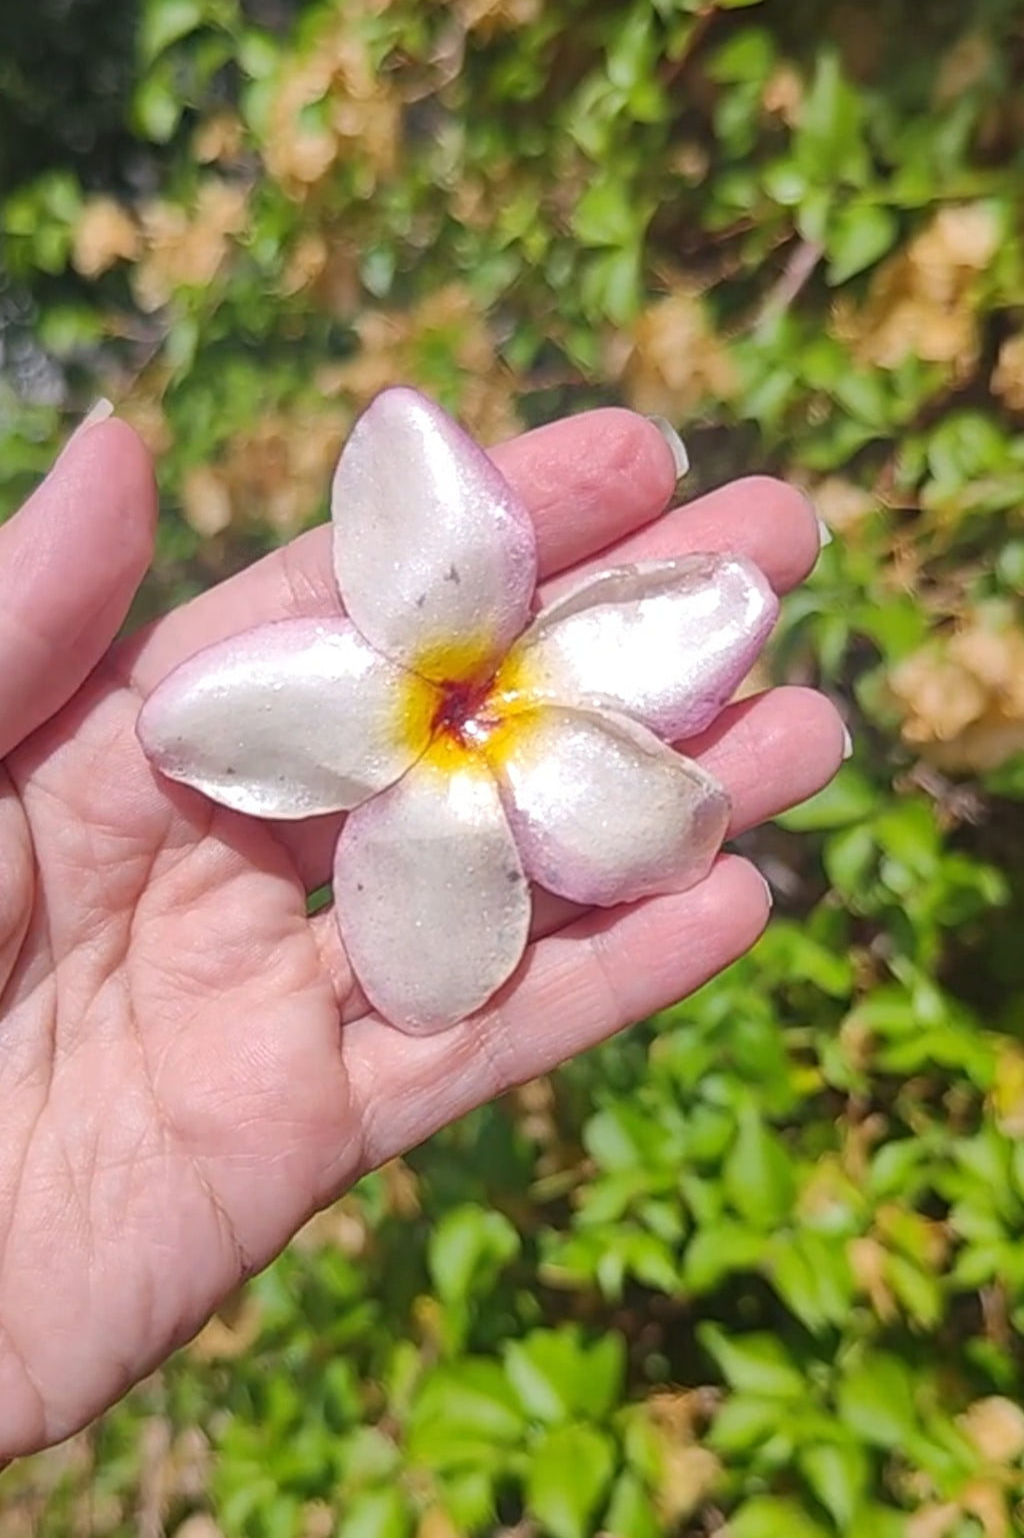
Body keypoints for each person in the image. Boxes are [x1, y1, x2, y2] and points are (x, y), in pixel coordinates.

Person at [0, 403, 845, 1461]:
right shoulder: (357, 697)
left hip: (505, 713)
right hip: (431, 728)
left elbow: (666, 803)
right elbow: (204, 722)